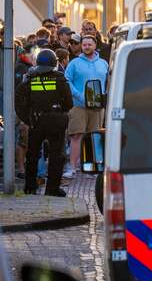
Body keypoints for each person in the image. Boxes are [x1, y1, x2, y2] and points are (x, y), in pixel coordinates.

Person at [15, 49, 72, 196]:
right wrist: (60, 113)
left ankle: (30, 187)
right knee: (56, 155)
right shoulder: (59, 78)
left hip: (36, 121)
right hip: (56, 121)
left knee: (33, 155)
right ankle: (52, 189)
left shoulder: (30, 78)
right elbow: (69, 102)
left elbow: (19, 100)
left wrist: (27, 119)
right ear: (55, 63)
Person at [63, 34, 108, 175]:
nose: (87, 47)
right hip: (78, 106)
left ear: (95, 46)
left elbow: (108, 82)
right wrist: (79, 95)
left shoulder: (104, 64)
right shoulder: (74, 63)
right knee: (76, 136)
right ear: (81, 46)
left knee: (94, 137)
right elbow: (67, 81)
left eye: (89, 44)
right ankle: (72, 167)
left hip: (97, 106)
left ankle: (92, 168)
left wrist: (104, 97)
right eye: (84, 45)